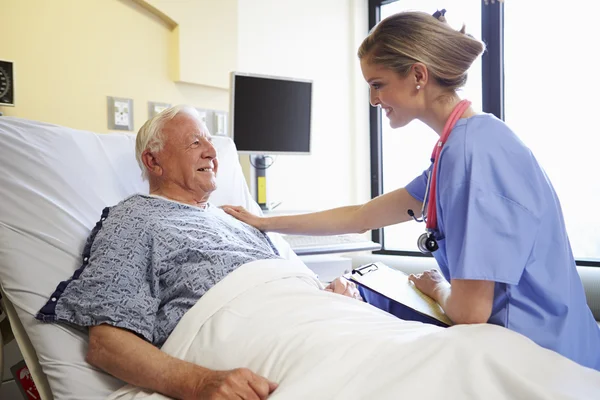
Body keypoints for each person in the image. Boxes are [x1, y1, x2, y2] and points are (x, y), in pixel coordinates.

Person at [223, 10, 600, 371]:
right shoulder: (463, 145)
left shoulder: (472, 154)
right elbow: (361, 217)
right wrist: (264, 222)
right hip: (564, 342)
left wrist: (437, 287)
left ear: (418, 75)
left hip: (544, 359)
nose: (373, 100)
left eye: (377, 84)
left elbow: (471, 313)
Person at [35, 105, 361, 399]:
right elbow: (108, 343)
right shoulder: (135, 218)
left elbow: (282, 280)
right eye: (195, 143)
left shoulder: (237, 219)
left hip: (323, 320)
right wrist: (197, 383)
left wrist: (326, 291)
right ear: (153, 161)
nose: (211, 153)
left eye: (210, 143)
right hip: (258, 336)